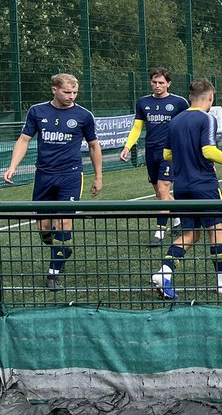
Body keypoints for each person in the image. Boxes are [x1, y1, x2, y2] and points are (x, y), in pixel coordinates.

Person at [149, 78, 222, 300]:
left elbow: (166, 155)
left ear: (189, 98)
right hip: (205, 185)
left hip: (182, 187)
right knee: (217, 230)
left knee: (190, 234)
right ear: (211, 97)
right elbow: (208, 151)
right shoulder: (206, 118)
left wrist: (186, 157)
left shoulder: (175, 121)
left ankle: (163, 273)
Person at [4, 73, 103, 291]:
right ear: (54, 90)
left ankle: (53, 272)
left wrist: (98, 176)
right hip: (43, 176)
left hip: (70, 176)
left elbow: (94, 146)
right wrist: (12, 166)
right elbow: (24, 140)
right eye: (67, 92)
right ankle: (60, 247)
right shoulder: (37, 111)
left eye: (75, 92)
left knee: (65, 222)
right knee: (44, 228)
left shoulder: (84, 115)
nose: (71, 96)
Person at [119, 66, 187, 246]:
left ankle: (160, 232)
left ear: (169, 84)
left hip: (170, 153)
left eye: (161, 82)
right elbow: (137, 127)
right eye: (154, 82)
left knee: (164, 190)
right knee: (159, 193)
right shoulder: (143, 102)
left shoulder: (179, 103)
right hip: (151, 152)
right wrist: (127, 146)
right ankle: (178, 218)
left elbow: (187, 125)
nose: (157, 85)